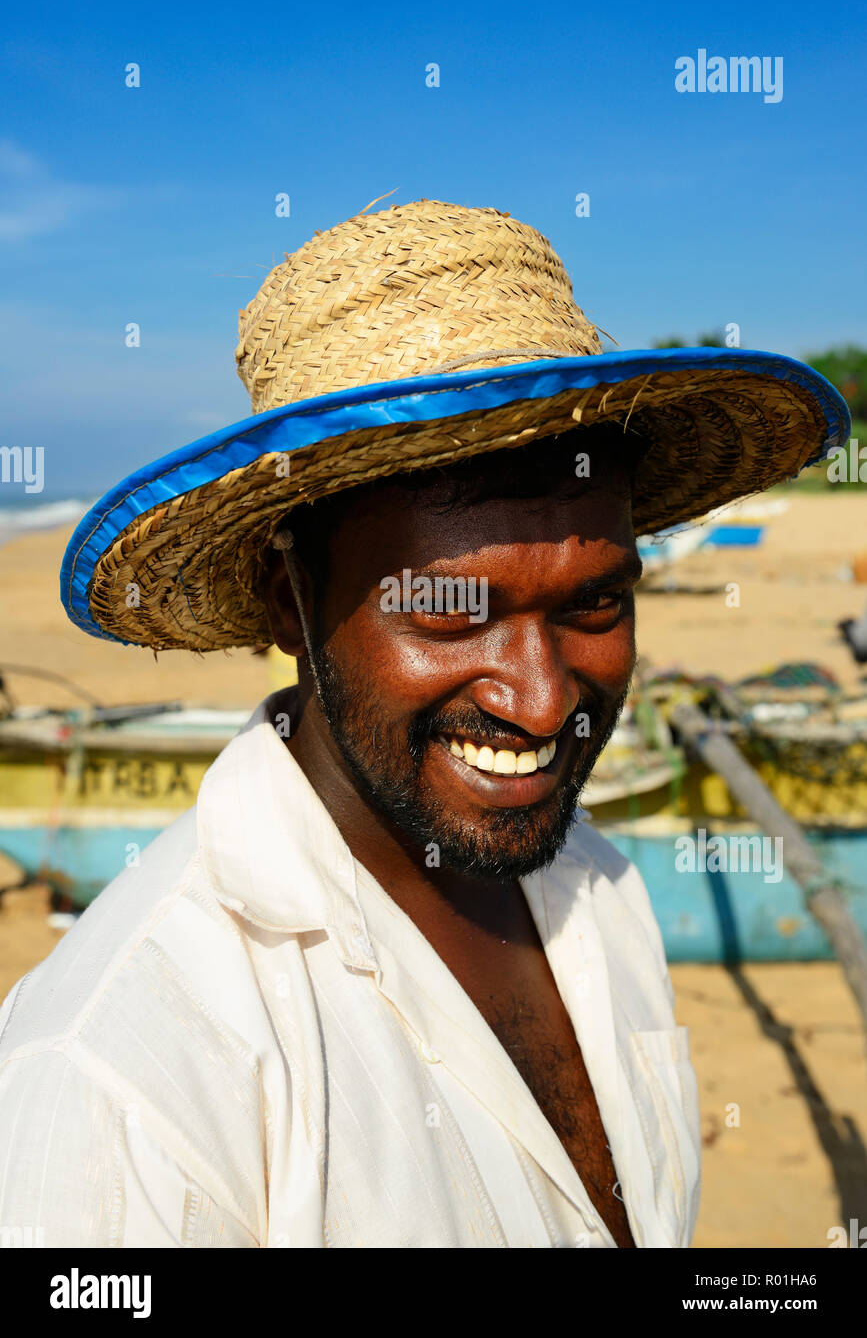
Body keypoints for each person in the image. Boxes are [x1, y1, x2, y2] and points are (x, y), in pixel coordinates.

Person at [0, 200, 849, 1247]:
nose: (540, 699)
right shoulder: (124, 1078)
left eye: (594, 603)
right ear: (288, 602)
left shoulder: (599, 886)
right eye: (451, 612)